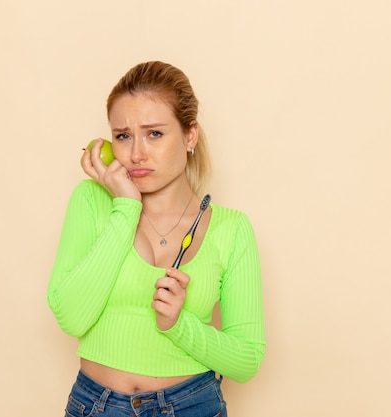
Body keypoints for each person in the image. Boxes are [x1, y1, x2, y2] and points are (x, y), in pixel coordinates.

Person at [48, 61, 265, 416]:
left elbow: (247, 359)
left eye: (154, 134)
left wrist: (180, 326)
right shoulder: (91, 201)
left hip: (192, 405)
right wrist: (126, 207)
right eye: (123, 135)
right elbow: (72, 317)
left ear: (189, 135)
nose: (136, 154)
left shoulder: (232, 228)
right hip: (97, 406)